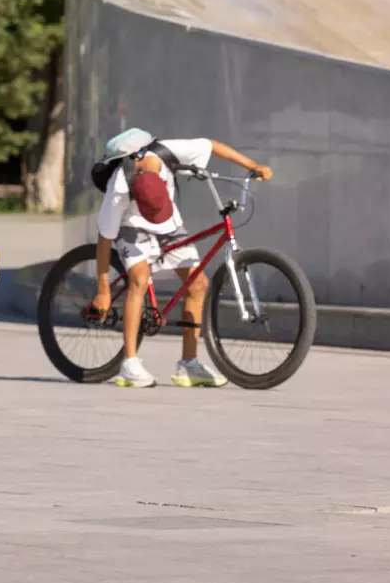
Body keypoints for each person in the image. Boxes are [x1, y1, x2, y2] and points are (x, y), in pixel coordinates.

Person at [91, 128, 273, 388]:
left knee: (198, 284)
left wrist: (253, 165)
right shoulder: (119, 186)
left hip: (169, 225)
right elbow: (104, 238)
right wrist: (102, 290)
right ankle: (129, 364)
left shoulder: (169, 152)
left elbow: (212, 145)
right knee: (139, 281)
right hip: (131, 226)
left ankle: (189, 364)